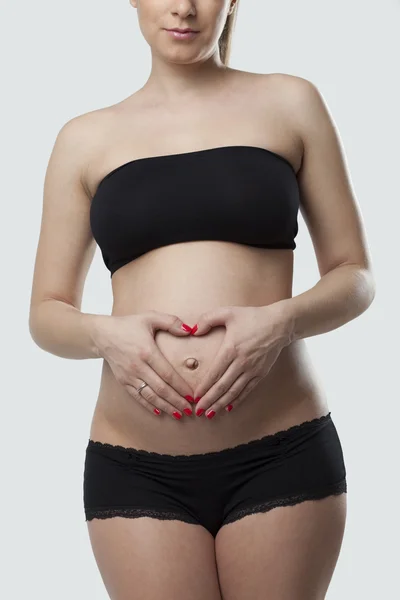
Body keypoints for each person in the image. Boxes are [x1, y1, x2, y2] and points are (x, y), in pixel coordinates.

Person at [28, 0, 376, 598]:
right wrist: (104, 335)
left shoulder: (290, 102)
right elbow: (46, 313)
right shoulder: (84, 138)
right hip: (135, 468)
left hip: (280, 453)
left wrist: (280, 321)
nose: (184, 7)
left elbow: (355, 277)